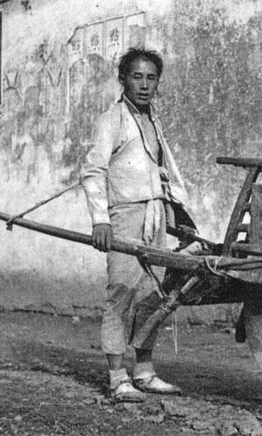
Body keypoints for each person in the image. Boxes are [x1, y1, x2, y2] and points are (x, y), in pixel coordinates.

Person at [81, 48, 189, 403]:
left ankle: (143, 371)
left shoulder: (152, 121)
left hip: (154, 216)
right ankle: (117, 377)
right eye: (137, 77)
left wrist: (177, 215)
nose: (144, 85)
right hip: (125, 216)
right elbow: (93, 172)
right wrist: (100, 220)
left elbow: (161, 173)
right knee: (122, 292)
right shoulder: (111, 120)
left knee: (151, 295)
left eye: (151, 78)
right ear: (123, 79)